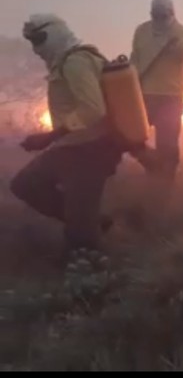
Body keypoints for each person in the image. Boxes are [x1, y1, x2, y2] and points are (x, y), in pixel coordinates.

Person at [10, 14, 122, 259]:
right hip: (69, 147)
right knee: (25, 184)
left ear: (56, 32)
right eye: (32, 42)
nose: (36, 48)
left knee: (80, 241)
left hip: (90, 150)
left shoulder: (76, 62)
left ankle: (94, 284)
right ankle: (91, 220)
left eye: (39, 39)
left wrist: (49, 136)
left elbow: (93, 110)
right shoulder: (65, 62)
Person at [129, 0, 183, 184]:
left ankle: (163, 186)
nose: (160, 19)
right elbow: (134, 61)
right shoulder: (141, 31)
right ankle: (153, 166)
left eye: (164, 15)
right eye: (157, 15)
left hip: (170, 99)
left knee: (167, 146)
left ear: (172, 13)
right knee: (128, 137)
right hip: (143, 96)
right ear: (151, 13)